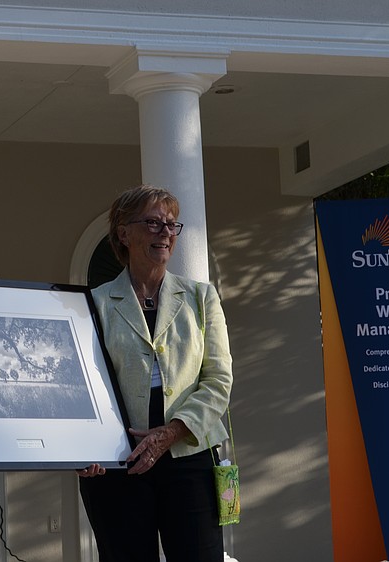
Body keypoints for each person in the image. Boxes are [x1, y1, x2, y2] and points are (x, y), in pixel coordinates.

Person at [77, 185, 233, 562]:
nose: (165, 232)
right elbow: (79, 384)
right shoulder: (93, 303)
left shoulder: (201, 297)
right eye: (152, 223)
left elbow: (219, 380)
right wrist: (82, 444)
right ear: (123, 233)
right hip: (118, 461)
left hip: (190, 455)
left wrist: (171, 432)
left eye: (170, 224)